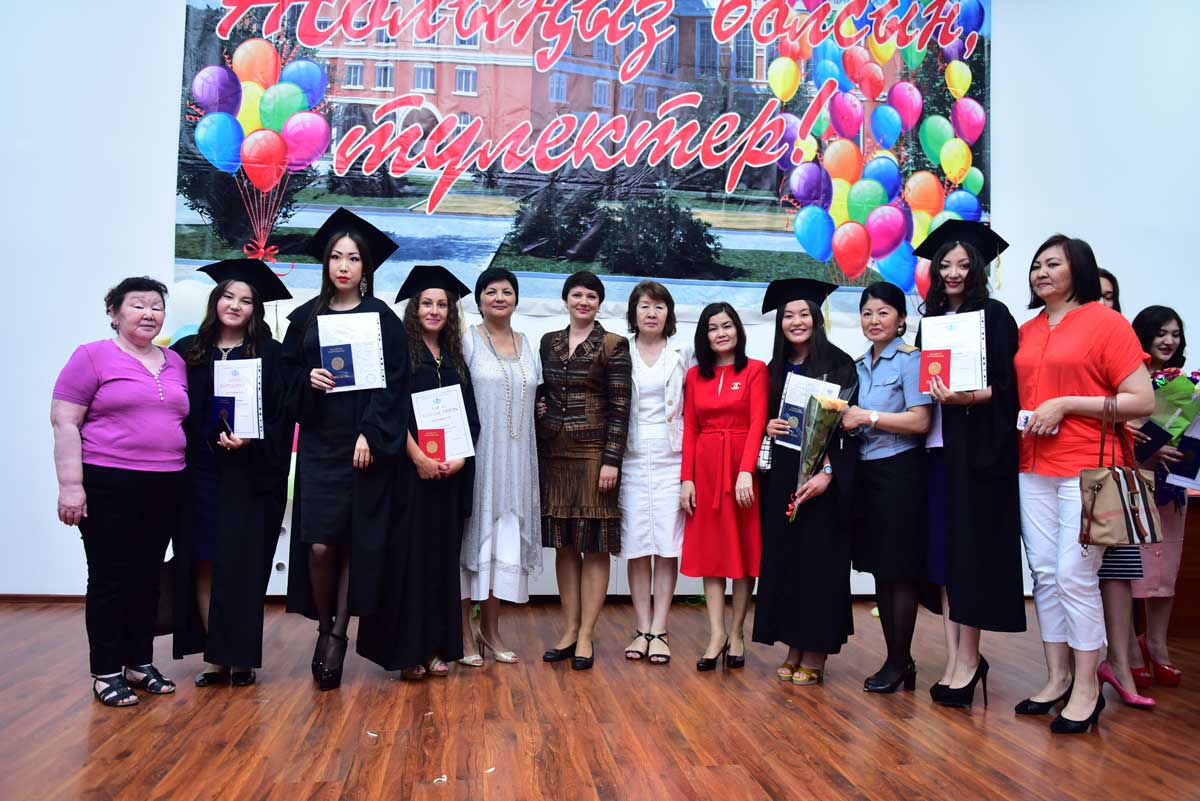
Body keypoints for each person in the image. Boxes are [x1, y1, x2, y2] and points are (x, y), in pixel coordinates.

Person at [1014, 234, 1154, 733]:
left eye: (1053, 263)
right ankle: (1056, 678)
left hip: (1088, 467)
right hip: (1032, 465)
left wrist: (1068, 404)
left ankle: (1087, 687)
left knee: (1075, 575)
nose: (1041, 272)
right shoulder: (1028, 329)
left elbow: (1141, 400)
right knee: (1046, 574)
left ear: (1079, 270)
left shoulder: (1106, 323)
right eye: (1037, 265)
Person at [281, 208, 410, 691]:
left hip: (363, 448)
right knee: (319, 544)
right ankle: (324, 625)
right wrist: (307, 379)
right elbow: (284, 379)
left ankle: (336, 636)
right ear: (326, 263)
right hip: (320, 444)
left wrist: (370, 433)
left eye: (353, 258)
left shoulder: (383, 320)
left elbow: (394, 385)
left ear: (365, 267)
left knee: (354, 542)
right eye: (336, 256)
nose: (343, 266)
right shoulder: (305, 318)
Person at [51, 276, 188, 707]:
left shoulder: (174, 361)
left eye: (156, 307)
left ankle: (139, 662)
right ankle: (106, 670)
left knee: (148, 577)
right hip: (108, 483)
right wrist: (71, 486)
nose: (149, 314)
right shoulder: (92, 356)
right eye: (138, 305)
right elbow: (65, 421)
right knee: (111, 578)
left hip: (166, 482)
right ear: (114, 313)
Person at [912, 222, 1026, 709]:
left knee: (969, 558)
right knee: (942, 559)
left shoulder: (995, 316)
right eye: (945, 265)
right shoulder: (932, 320)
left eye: (963, 264)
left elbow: (1011, 389)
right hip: (937, 451)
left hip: (976, 455)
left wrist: (968, 397)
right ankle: (955, 656)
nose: (953, 272)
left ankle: (969, 658)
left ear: (976, 268)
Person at [171, 260, 294, 688]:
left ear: (256, 309)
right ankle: (214, 657)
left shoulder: (271, 354)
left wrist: (251, 440)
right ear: (215, 300)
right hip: (200, 473)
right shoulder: (189, 350)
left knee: (242, 565)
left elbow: (283, 414)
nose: (235, 305)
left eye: (246, 300)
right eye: (228, 296)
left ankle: (240, 656)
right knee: (203, 558)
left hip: (251, 476)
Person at [358, 266, 480, 679]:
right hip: (410, 477)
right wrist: (417, 458)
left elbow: (469, 417)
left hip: (448, 477)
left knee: (439, 563)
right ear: (414, 308)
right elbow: (390, 412)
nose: (434, 310)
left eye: (442, 304)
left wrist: (460, 457)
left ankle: (433, 648)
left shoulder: (455, 358)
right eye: (427, 303)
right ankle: (407, 652)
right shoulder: (403, 354)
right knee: (408, 563)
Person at [752, 279, 857, 686]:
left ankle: (816, 652)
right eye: (788, 316)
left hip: (824, 481)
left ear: (816, 318)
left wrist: (828, 473)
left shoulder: (839, 364)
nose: (796, 321)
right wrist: (768, 425)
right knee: (788, 562)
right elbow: (763, 419)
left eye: (803, 314)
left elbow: (847, 426)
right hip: (783, 476)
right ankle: (794, 646)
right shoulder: (774, 368)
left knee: (820, 565)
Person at [537, 271, 632, 671]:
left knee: (593, 545)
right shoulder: (548, 342)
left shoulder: (613, 344)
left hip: (595, 454)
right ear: (565, 299)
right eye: (577, 294)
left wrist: (612, 460)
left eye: (591, 296)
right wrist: (539, 406)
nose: (583, 301)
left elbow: (621, 408)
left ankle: (588, 634)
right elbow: (541, 389)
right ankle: (569, 629)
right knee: (564, 544)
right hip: (555, 452)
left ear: (599, 303)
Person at [841, 281, 932, 693]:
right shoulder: (859, 365)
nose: (874, 320)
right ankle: (897, 659)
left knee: (900, 569)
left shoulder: (911, 360)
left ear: (901, 319)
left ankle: (900, 659)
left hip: (901, 471)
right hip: (867, 473)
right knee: (881, 567)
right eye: (867, 313)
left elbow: (921, 420)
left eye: (883, 312)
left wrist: (868, 417)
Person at [458, 267, 541, 666]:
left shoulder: (527, 343)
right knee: (472, 542)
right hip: (478, 455)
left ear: (516, 299)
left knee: (503, 545)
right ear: (479, 299)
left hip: (518, 459)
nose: (499, 298)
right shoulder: (468, 340)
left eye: (507, 291)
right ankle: (463, 634)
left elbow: (534, 395)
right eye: (490, 291)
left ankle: (490, 631)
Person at [680, 302, 768, 672]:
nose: (721, 333)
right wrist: (686, 478)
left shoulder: (755, 370)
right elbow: (690, 428)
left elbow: (758, 421)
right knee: (711, 554)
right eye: (713, 327)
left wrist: (746, 470)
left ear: (738, 330)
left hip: (741, 470)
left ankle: (737, 632)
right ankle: (716, 634)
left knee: (745, 553)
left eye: (727, 325)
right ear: (704, 335)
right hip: (706, 470)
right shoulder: (693, 376)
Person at [618, 281, 692, 666]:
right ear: (634, 312)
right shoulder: (619, 350)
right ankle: (641, 627)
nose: (652, 313)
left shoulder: (683, 354)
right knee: (636, 545)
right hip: (629, 457)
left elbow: (694, 409)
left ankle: (660, 629)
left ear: (669, 314)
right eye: (645, 306)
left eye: (659, 306)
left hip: (671, 458)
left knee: (665, 545)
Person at [1128, 306, 1188, 688]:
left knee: (1166, 571)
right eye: (1161, 333)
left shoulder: (1184, 384)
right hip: (1135, 483)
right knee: (1132, 571)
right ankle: (1131, 651)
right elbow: (1121, 428)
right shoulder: (1128, 377)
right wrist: (1151, 446)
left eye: (1175, 334)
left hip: (1172, 487)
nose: (1168, 341)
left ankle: (1157, 644)